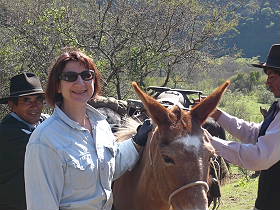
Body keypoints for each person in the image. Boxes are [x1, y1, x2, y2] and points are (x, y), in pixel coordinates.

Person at [24, 49, 152, 210]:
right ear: (57, 86)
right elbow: (41, 205)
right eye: (70, 77)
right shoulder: (45, 140)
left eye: (86, 75)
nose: (80, 83)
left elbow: (109, 167)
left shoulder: (100, 125)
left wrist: (137, 141)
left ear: (94, 80)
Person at [205, 44, 280, 210]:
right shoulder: (277, 108)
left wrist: (209, 142)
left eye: (272, 76)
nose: (267, 82)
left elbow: (259, 157)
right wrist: (217, 114)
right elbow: (256, 133)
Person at [0, 72, 47, 210]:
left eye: (38, 99)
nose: (35, 106)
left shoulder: (41, 124)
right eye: (27, 100)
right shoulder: (7, 134)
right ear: (11, 105)